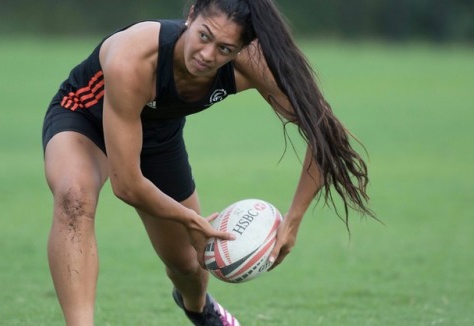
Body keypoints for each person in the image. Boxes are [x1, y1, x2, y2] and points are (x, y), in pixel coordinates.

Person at [42, 0, 374, 325]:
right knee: (75, 197)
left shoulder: (251, 63)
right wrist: (189, 219)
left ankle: (199, 309)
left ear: (244, 48)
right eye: (204, 36)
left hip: (158, 137)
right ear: (191, 15)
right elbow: (126, 184)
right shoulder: (135, 57)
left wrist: (294, 219)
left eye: (225, 49)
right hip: (85, 118)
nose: (207, 55)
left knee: (188, 265)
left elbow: (324, 132)